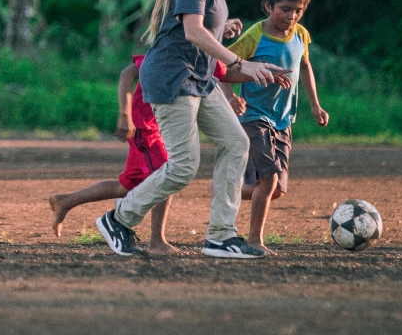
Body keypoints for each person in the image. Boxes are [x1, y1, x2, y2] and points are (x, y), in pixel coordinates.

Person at [93, 0, 288, 259]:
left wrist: (230, 38)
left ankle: (220, 236)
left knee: (235, 141)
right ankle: (118, 219)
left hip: (199, 78)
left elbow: (202, 32)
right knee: (183, 165)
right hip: (173, 77)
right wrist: (239, 61)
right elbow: (192, 31)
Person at [48, 52, 251, 251]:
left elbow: (225, 73)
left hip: (161, 127)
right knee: (167, 170)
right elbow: (127, 73)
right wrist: (124, 114)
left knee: (129, 185)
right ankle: (156, 240)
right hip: (144, 125)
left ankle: (66, 201)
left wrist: (267, 73)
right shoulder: (167, 55)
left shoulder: (201, 57)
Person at [226, 0, 330, 255]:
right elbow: (223, 69)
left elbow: (305, 67)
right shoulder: (254, 36)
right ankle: (254, 241)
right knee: (269, 177)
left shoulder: (301, 34)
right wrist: (231, 98)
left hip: (283, 119)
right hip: (254, 117)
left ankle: (226, 191)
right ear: (268, 6)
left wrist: (315, 105)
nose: (291, 16)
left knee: (277, 190)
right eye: (285, 9)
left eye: (298, 10)